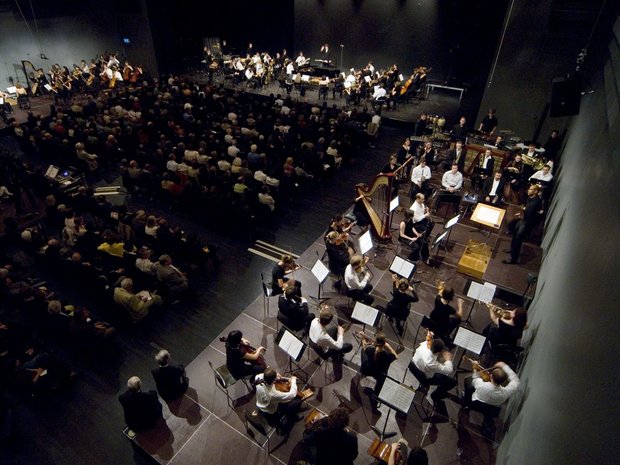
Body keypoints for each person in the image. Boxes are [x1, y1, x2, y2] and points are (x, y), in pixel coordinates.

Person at [410, 333, 457, 406]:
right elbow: (449, 370)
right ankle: (435, 395)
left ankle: (424, 388)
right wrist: (448, 360)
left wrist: (430, 335)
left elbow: (427, 340)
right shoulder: (432, 363)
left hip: (415, 368)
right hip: (425, 378)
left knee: (439, 369)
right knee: (452, 381)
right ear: (438, 352)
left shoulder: (423, 346)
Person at [503, 184, 543, 264]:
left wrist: (522, 212)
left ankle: (513, 259)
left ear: (536, 192)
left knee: (518, 240)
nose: (528, 190)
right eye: (529, 189)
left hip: (526, 223)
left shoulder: (536, 202)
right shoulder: (530, 198)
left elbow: (530, 213)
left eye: (531, 189)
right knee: (514, 235)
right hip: (522, 220)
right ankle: (512, 249)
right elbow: (526, 208)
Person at [360, 331, 398, 395]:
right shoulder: (387, 356)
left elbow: (364, 348)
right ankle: (376, 393)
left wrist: (363, 339)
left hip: (369, 370)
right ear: (384, 343)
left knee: (363, 352)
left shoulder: (370, 350)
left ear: (376, 343)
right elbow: (396, 356)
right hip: (380, 375)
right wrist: (388, 346)